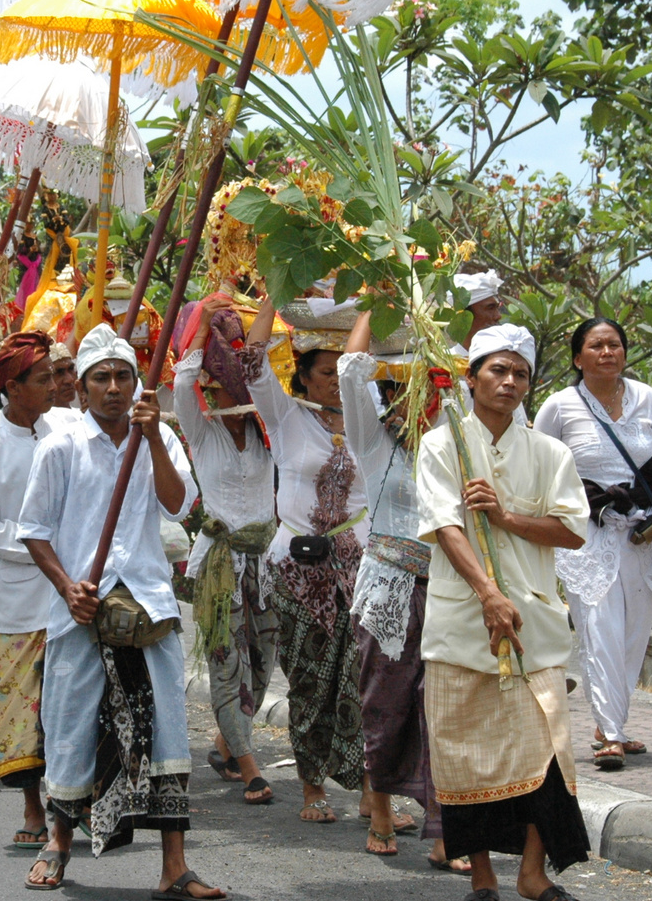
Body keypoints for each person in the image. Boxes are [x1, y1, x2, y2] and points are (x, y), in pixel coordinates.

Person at [16, 323, 222, 898]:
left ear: (137, 384)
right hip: (81, 612)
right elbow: (33, 531)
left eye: (123, 376)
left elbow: (179, 506)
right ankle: (58, 845)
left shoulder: (159, 436)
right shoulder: (60, 446)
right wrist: (67, 588)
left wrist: (154, 437)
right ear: (81, 389)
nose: (113, 387)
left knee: (167, 734)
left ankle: (175, 867)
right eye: (101, 378)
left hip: (149, 604)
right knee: (71, 727)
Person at [414, 323, 592, 900]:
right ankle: (484, 878)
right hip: (462, 628)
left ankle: (533, 873)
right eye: (497, 369)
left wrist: (507, 517)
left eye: (520, 373)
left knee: (549, 752)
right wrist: (488, 594)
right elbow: (443, 526)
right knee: (465, 759)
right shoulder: (441, 445)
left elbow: (571, 532)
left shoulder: (550, 452)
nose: (510, 382)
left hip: (533, 627)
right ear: (470, 378)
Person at [534, 317, 652, 771]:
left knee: (635, 631)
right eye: (596, 346)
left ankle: (611, 720)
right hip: (585, 533)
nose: (607, 352)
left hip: (641, 532)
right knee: (599, 627)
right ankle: (611, 733)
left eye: (614, 345)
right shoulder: (559, 406)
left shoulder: (648, 400)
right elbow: (534, 465)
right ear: (578, 358)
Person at [338, 312, 466, 868]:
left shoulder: (453, 446)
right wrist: (376, 303)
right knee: (384, 700)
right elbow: (349, 371)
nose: (415, 406)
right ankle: (382, 804)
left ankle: (442, 830)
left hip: (446, 587)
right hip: (388, 587)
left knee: (443, 708)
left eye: (426, 394)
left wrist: (429, 316)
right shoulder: (372, 441)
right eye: (400, 393)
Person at [241, 291, 367, 824]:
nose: (337, 379)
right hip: (297, 568)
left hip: (360, 571)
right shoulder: (287, 415)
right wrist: (273, 290)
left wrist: (376, 304)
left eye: (344, 370)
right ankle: (312, 787)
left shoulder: (370, 419)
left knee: (362, 680)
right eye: (327, 370)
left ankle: (370, 795)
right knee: (311, 678)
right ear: (304, 376)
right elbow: (251, 360)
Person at [173, 297, 278, 808]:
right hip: (218, 566)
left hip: (265, 562)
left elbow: (261, 367)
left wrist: (271, 299)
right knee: (227, 663)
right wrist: (198, 328)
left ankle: (224, 745)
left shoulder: (266, 434)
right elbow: (179, 382)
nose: (219, 393)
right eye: (212, 386)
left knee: (263, 662)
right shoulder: (201, 431)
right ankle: (251, 764)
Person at [0, 330, 61, 845]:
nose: (53, 386)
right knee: (21, 714)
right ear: (12, 388)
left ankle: (72, 805)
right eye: (43, 378)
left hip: (69, 596)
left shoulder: (63, 433)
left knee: (70, 706)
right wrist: (38, 547)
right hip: (17, 600)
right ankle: (31, 808)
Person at [451, 269, 529, 427]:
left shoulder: (508, 364)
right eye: (490, 308)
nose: (498, 316)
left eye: (498, 307)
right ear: (464, 315)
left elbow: (518, 427)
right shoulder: (441, 364)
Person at [49, 340, 80, 414]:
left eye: (71, 369)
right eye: (59, 372)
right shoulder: (37, 422)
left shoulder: (82, 416)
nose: (70, 379)